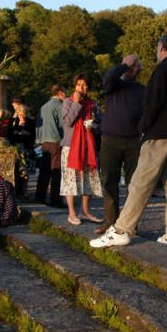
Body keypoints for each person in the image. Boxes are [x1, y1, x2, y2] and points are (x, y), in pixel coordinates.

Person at [90, 33, 167, 250]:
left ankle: (121, 230)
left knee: (140, 182)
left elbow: (153, 104)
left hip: (159, 133)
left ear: (162, 47)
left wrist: (144, 129)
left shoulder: (162, 70)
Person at [96, 54, 145, 235]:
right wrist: (124, 65)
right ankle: (110, 222)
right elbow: (107, 79)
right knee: (109, 182)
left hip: (133, 141)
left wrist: (141, 132)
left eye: (135, 66)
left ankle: (130, 224)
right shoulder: (114, 85)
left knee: (134, 184)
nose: (133, 69)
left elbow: (146, 114)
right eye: (130, 66)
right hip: (111, 139)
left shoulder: (142, 90)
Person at [60, 74, 103, 225]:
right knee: (70, 180)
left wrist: (94, 127)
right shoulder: (67, 102)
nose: (81, 88)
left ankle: (85, 211)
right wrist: (76, 104)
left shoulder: (93, 104)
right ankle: (72, 213)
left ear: (88, 87)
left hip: (88, 145)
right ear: (74, 87)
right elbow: (68, 121)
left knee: (88, 179)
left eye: (84, 85)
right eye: (79, 85)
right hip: (71, 146)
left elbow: (100, 123)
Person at [35, 84, 66, 207]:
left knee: (44, 171)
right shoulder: (60, 106)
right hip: (56, 141)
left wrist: (38, 140)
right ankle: (55, 199)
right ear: (60, 93)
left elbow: (38, 125)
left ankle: (40, 197)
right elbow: (63, 125)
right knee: (56, 172)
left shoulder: (43, 107)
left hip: (44, 142)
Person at [9, 104, 36, 199]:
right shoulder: (13, 122)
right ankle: (17, 192)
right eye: (20, 114)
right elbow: (10, 134)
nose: (22, 116)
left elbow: (33, 136)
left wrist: (26, 133)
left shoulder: (31, 122)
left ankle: (25, 192)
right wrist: (18, 130)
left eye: (24, 114)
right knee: (17, 172)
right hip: (17, 150)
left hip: (27, 150)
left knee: (26, 173)